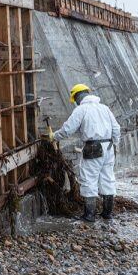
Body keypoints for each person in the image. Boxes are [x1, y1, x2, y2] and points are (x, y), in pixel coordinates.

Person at [52, 84, 121, 222]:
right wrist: (115, 143)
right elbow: (116, 128)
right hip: (108, 147)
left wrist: (54, 137)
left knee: (89, 179)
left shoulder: (81, 109)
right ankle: (107, 213)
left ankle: (89, 215)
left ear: (77, 96)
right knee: (107, 178)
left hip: (93, 148)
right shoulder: (104, 108)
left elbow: (67, 130)